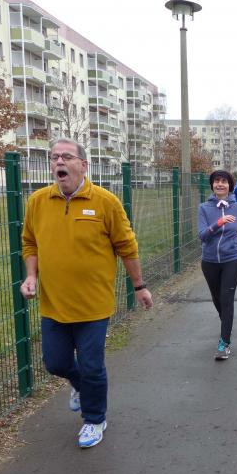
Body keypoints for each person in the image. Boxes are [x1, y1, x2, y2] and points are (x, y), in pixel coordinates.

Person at [20, 138, 153, 449]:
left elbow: (127, 247)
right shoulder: (38, 201)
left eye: (66, 156)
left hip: (94, 305)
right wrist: (31, 276)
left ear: (83, 165)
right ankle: (82, 387)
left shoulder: (106, 202)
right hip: (54, 303)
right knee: (55, 363)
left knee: (92, 365)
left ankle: (94, 419)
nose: (59, 162)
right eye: (54, 157)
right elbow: (30, 243)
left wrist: (139, 286)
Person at [198, 170, 237, 361]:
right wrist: (218, 223)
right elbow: (203, 235)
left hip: (232, 259)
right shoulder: (204, 208)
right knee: (217, 300)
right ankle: (227, 324)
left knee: (226, 299)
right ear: (212, 185)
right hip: (209, 261)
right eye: (216, 181)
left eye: (224, 181)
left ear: (230, 186)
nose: (220, 184)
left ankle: (224, 342)